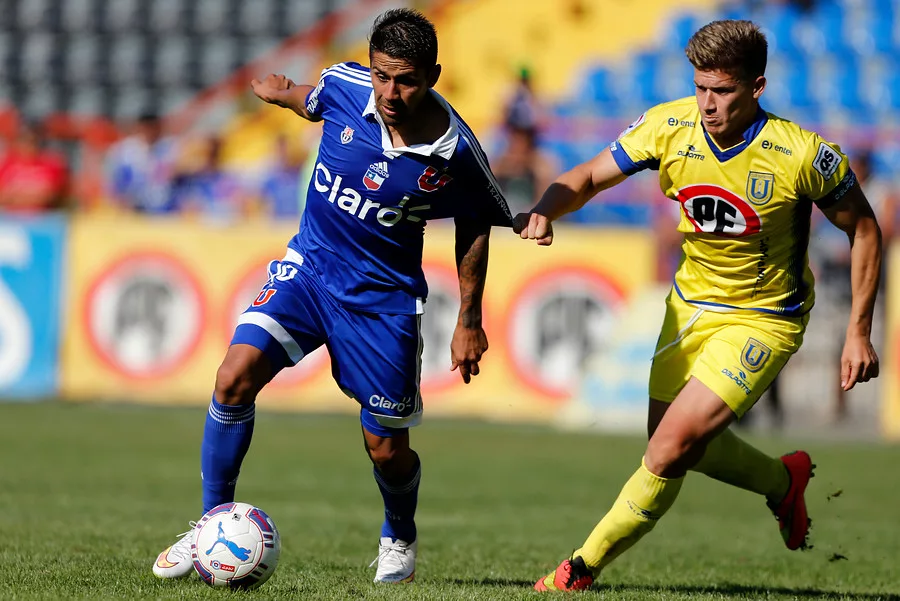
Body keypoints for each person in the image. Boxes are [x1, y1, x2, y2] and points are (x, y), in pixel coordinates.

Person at [514, 20, 881, 591]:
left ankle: (579, 568)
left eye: (723, 90)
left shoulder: (801, 154)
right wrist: (545, 209)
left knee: (666, 449)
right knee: (682, 445)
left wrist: (858, 329)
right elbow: (588, 175)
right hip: (688, 307)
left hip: (764, 318)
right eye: (700, 88)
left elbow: (864, 230)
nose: (708, 104)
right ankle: (784, 483)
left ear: (756, 87)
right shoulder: (669, 125)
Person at [151, 8, 511, 584]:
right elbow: (306, 97)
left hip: (382, 302)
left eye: (407, 80)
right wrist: (280, 92)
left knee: (385, 448)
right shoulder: (346, 87)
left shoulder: (456, 151)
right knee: (232, 377)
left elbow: (477, 225)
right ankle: (207, 526)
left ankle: (399, 533)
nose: (391, 92)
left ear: (434, 76)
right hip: (310, 270)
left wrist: (469, 318)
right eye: (382, 75)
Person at [104, 112, 179, 214]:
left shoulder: (171, 149)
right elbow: (114, 183)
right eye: (148, 128)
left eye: (154, 128)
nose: (151, 132)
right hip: (134, 210)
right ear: (140, 128)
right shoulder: (124, 152)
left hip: (166, 212)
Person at [0, 120, 68, 214]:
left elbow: (51, 196)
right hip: (11, 219)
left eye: (31, 141)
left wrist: (16, 196)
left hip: (42, 218)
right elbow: (2, 197)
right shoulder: (6, 164)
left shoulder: (52, 163)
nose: (27, 145)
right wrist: (32, 197)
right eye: (23, 140)